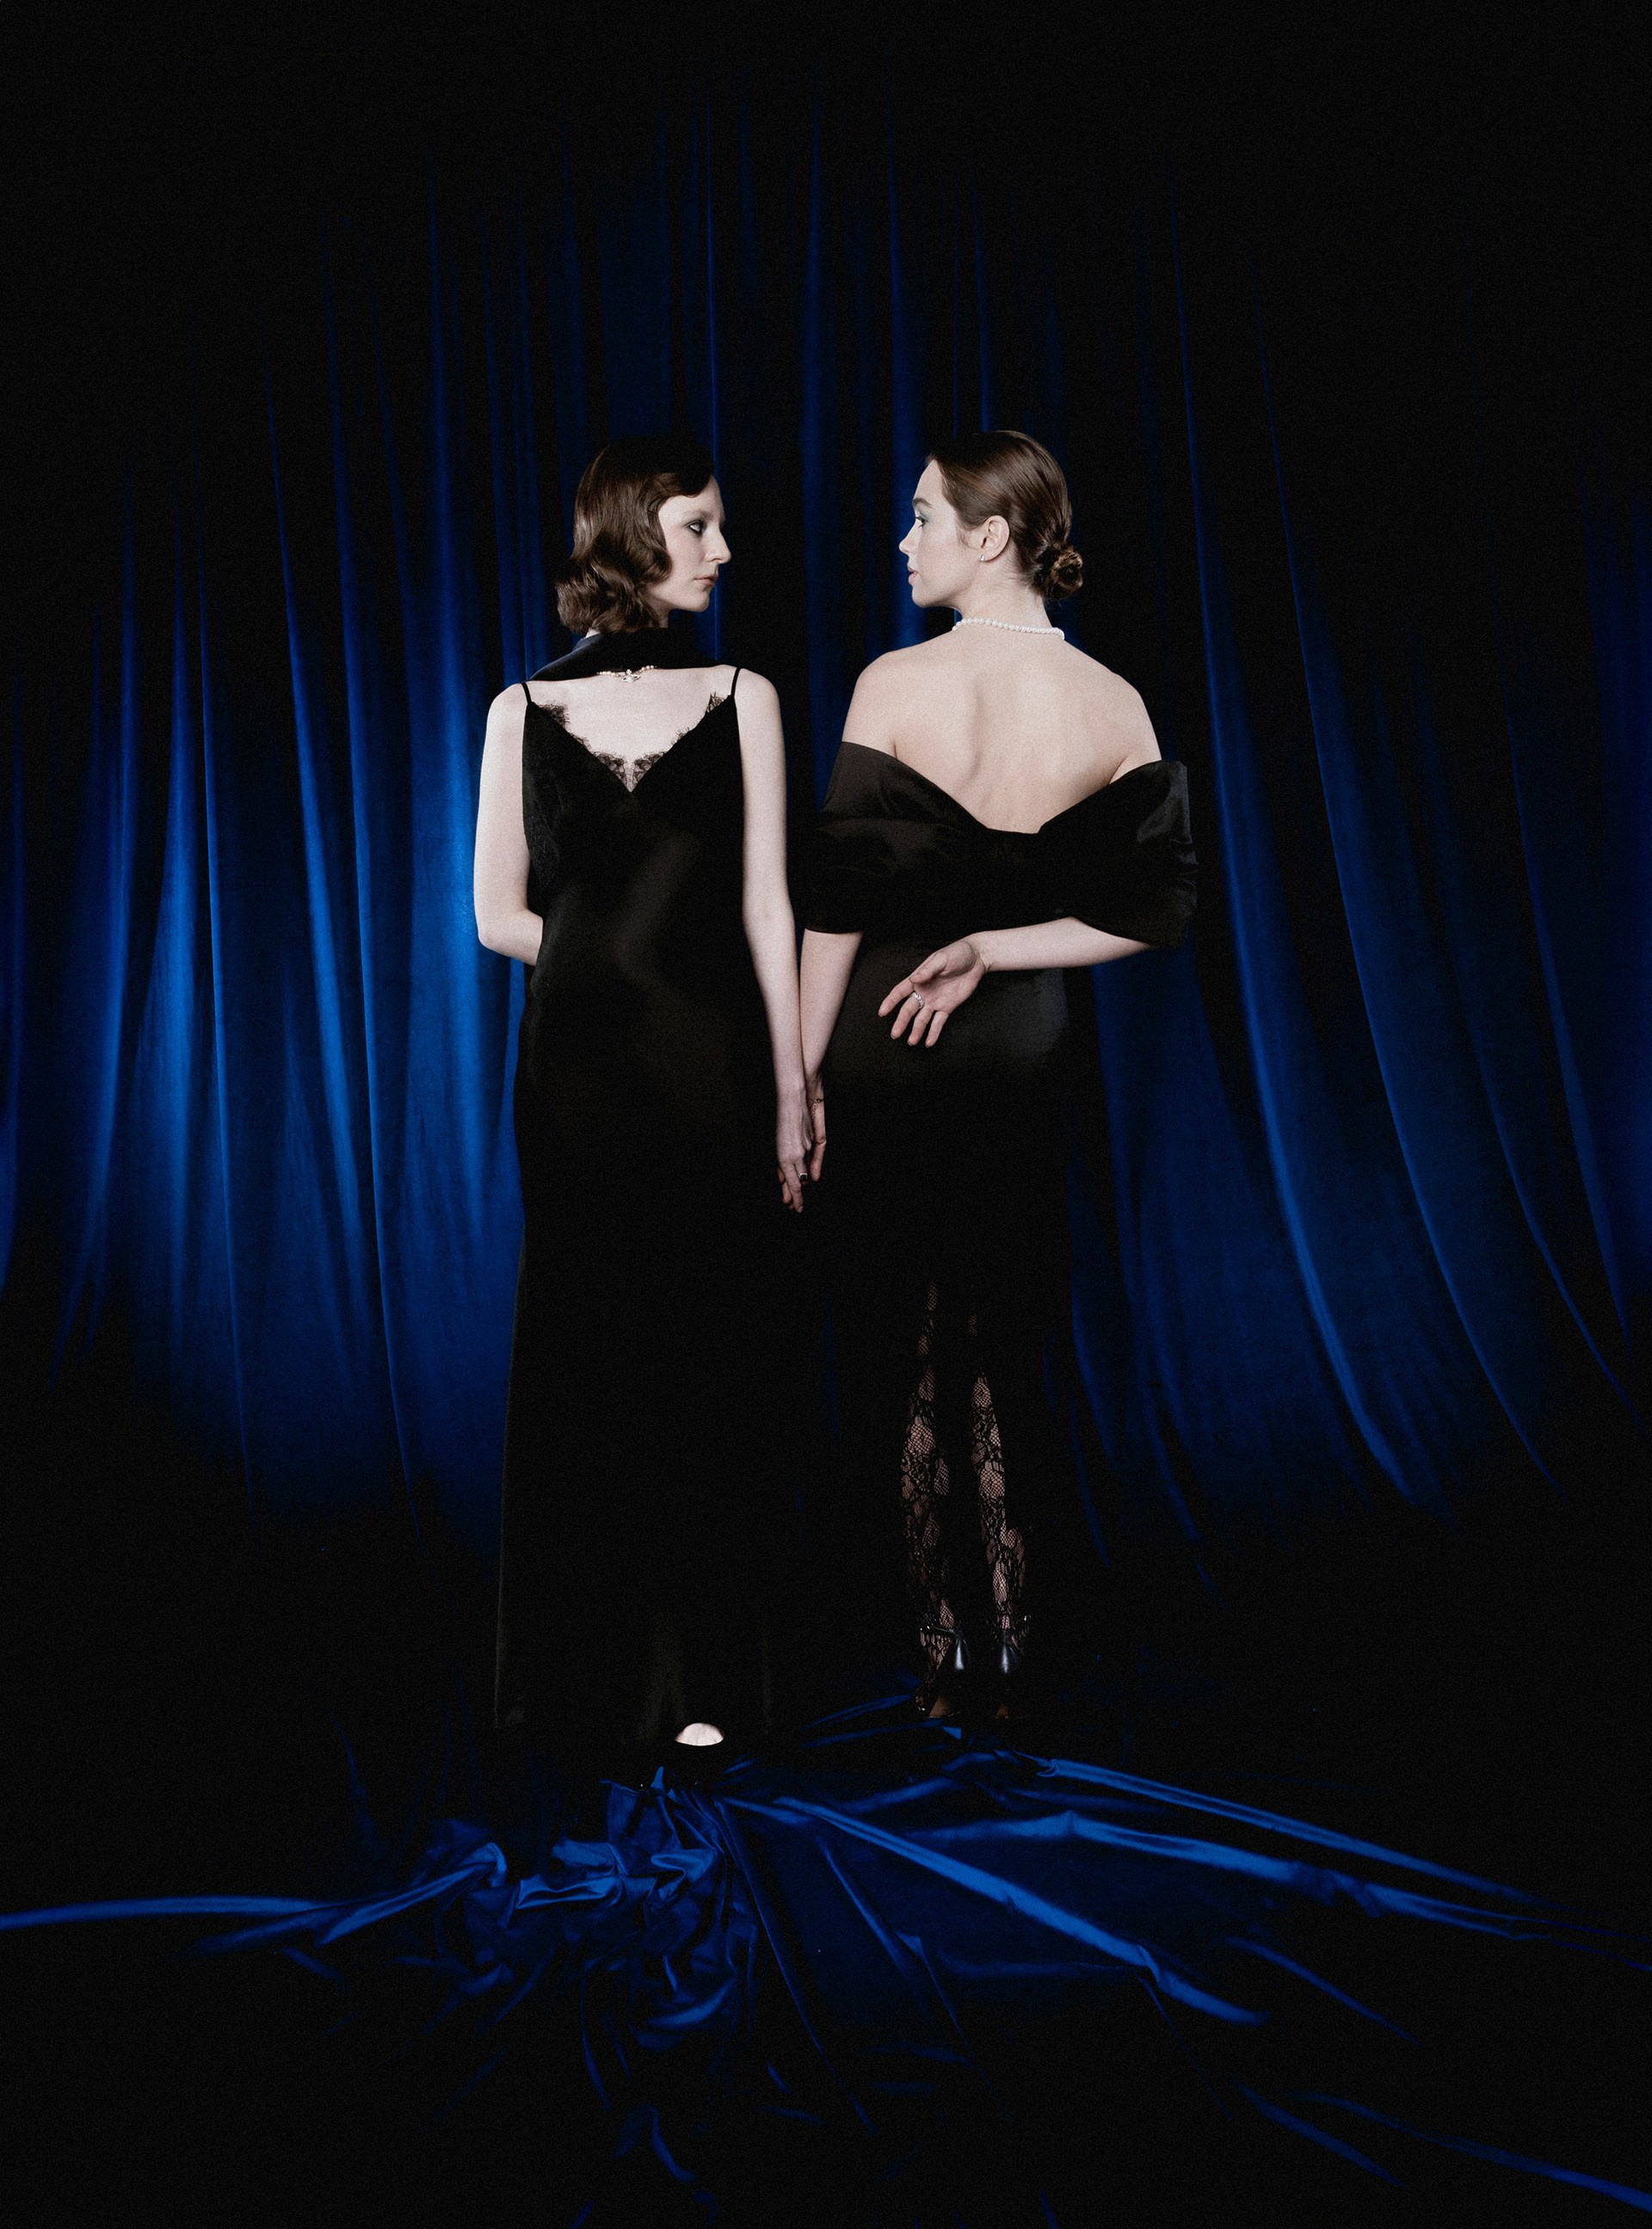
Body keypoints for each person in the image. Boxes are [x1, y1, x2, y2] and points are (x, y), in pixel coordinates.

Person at [798, 429, 1196, 1720]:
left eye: (921, 516)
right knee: (1000, 1337)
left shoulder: (891, 682)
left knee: (903, 1343)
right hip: (1023, 1046)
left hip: (881, 1040)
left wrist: (797, 1078)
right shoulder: (1113, 702)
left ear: (990, 534)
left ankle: (940, 1646)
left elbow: (836, 912)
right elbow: (1157, 910)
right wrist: (997, 948)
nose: (903, 539)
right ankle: (1012, 1638)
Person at [473, 434, 811, 1763]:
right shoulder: (518, 710)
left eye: (718, 526)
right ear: (631, 533)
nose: (723, 550)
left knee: (707, 1359)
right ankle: (575, 1682)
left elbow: (770, 906)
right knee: (585, 1358)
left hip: (711, 1067)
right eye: (699, 526)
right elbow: (495, 913)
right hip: (576, 1076)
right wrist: (600, 958)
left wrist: (792, 1087)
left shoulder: (744, 696)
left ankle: (703, 1679)